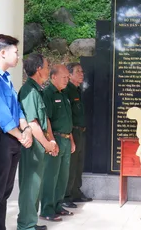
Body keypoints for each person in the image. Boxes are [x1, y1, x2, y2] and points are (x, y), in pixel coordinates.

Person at [0, 35, 33, 230]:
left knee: (4, 193)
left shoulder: (6, 78)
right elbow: (1, 113)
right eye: (16, 52)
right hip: (0, 139)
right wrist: (21, 135)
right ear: (3, 53)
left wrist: (25, 128)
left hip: (12, 139)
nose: (18, 57)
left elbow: (16, 109)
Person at [17, 54, 57, 230]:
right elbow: (33, 124)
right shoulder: (29, 91)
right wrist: (47, 144)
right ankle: (25, 225)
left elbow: (44, 119)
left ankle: (31, 222)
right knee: (29, 186)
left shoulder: (38, 90)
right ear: (39, 69)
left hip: (40, 146)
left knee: (36, 186)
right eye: (47, 66)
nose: (49, 69)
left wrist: (51, 140)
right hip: (31, 147)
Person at [40, 64, 76, 221]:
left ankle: (58, 205)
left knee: (62, 176)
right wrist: (50, 140)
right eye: (64, 77)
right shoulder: (47, 94)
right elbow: (45, 119)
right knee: (51, 176)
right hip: (55, 139)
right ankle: (47, 209)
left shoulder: (64, 94)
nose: (67, 80)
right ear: (53, 77)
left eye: (68, 77)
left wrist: (72, 140)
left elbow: (68, 120)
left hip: (67, 139)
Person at [62, 63, 92, 209]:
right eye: (78, 71)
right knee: (71, 164)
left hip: (81, 131)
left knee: (79, 164)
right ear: (70, 74)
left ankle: (76, 192)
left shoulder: (77, 90)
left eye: (82, 71)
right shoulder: (67, 90)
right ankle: (66, 196)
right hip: (72, 132)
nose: (82, 74)